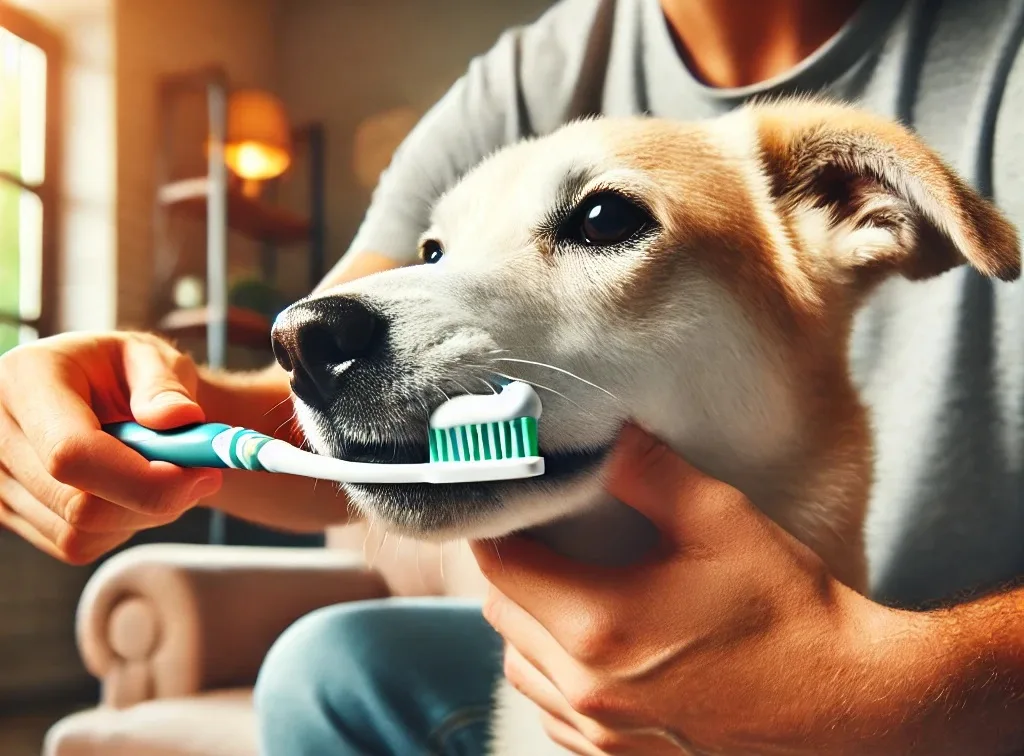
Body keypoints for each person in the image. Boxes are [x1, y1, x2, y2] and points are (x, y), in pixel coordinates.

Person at [1, 0, 1022, 752]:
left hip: (942, 686)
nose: (432, 285)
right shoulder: (526, 76)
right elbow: (324, 380)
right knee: (329, 662)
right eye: (438, 253)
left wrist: (885, 683)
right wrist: (128, 396)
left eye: (603, 221)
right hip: (556, 689)